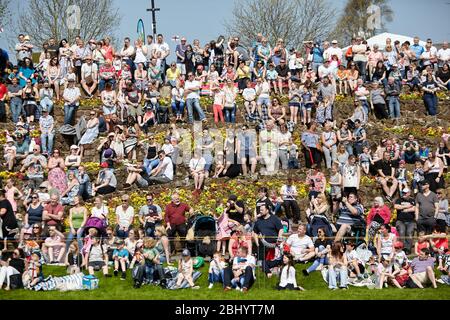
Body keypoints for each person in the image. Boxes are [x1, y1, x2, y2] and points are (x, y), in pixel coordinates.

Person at [253, 204, 284, 276]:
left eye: (262, 210)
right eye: (259, 210)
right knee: (260, 263)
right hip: (262, 245)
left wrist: (279, 238)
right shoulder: (258, 221)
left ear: (267, 210)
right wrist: (257, 242)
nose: (260, 211)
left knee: (275, 261)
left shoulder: (274, 218)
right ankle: (267, 269)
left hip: (274, 245)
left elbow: (281, 229)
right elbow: (254, 232)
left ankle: (273, 269)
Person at [394, 188, 416, 254]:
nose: (404, 194)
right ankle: (401, 248)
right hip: (400, 221)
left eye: (405, 193)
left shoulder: (412, 200)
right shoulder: (399, 200)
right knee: (401, 232)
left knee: (409, 233)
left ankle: (408, 249)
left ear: (409, 193)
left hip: (411, 221)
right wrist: (407, 206)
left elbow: (414, 208)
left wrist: (404, 209)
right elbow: (396, 206)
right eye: (403, 192)